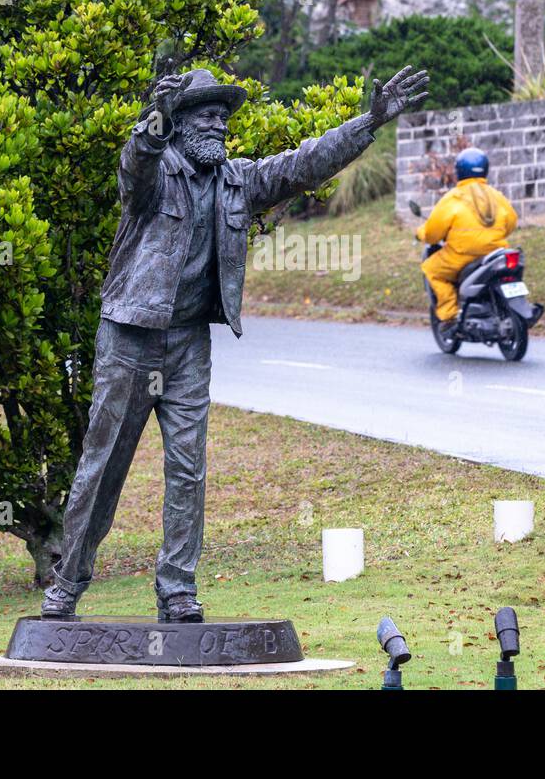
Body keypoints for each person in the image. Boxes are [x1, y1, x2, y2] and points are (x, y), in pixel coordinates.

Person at [41, 65, 430, 623]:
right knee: (102, 467)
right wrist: (152, 118)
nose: (219, 125)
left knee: (188, 470)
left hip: (187, 345)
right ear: (179, 122)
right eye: (207, 114)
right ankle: (67, 586)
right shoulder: (156, 175)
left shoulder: (236, 182)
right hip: (131, 338)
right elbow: (135, 165)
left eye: (224, 116)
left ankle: (177, 589)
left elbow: (305, 163)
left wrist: (370, 120)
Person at [416, 147, 518, 328]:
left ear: (459, 170)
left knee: (431, 269)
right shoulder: (496, 195)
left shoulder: (453, 198)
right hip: (495, 253)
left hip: (462, 256)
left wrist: (421, 234)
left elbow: (433, 234)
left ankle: (449, 316)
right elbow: (511, 222)